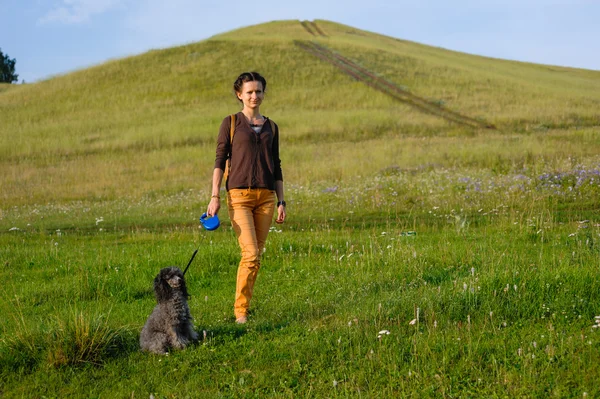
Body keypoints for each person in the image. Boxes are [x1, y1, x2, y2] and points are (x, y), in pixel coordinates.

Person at [206, 71, 286, 324]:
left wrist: (282, 201)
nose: (255, 96)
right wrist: (214, 196)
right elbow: (219, 161)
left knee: (256, 256)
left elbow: (277, 165)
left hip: (266, 198)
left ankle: (245, 306)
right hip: (239, 196)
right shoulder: (230, 123)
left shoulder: (271, 126)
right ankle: (240, 312)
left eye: (259, 91)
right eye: (249, 92)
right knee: (250, 254)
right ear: (239, 95)